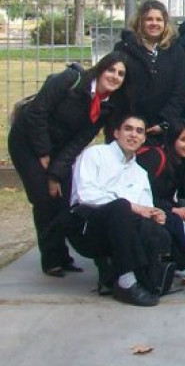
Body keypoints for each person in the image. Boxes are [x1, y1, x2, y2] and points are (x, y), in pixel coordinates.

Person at [8, 52, 132, 277]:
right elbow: (37, 112)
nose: (115, 76)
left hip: (59, 149)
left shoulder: (106, 106)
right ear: (100, 69)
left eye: (121, 74)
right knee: (44, 199)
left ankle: (63, 255)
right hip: (27, 141)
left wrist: (56, 172)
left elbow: (80, 141)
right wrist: (43, 152)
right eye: (111, 70)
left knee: (64, 198)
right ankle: (51, 259)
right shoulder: (69, 80)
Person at [66, 116, 175, 307]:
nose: (133, 135)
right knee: (121, 207)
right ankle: (126, 281)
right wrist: (132, 207)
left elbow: (144, 209)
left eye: (139, 131)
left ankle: (137, 277)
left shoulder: (140, 173)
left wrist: (155, 214)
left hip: (122, 230)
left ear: (143, 139)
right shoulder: (95, 154)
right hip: (87, 226)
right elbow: (86, 195)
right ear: (117, 133)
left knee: (155, 230)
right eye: (128, 129)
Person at [114, 0, 185, 145]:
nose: (154, 23)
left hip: (161, 127)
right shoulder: (124, 48)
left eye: (159, 19)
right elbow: (118, 89)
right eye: (149, 19)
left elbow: (181, 91)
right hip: (129, 126)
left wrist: (165, 121)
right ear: (140, 22)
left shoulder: (176, 51)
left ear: (165, 23)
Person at [135, 120, 185, 213]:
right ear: (172, 140)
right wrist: (172, 209)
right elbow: (139, 193)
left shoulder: (182, 162)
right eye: (184, 140)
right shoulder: (154, 157)